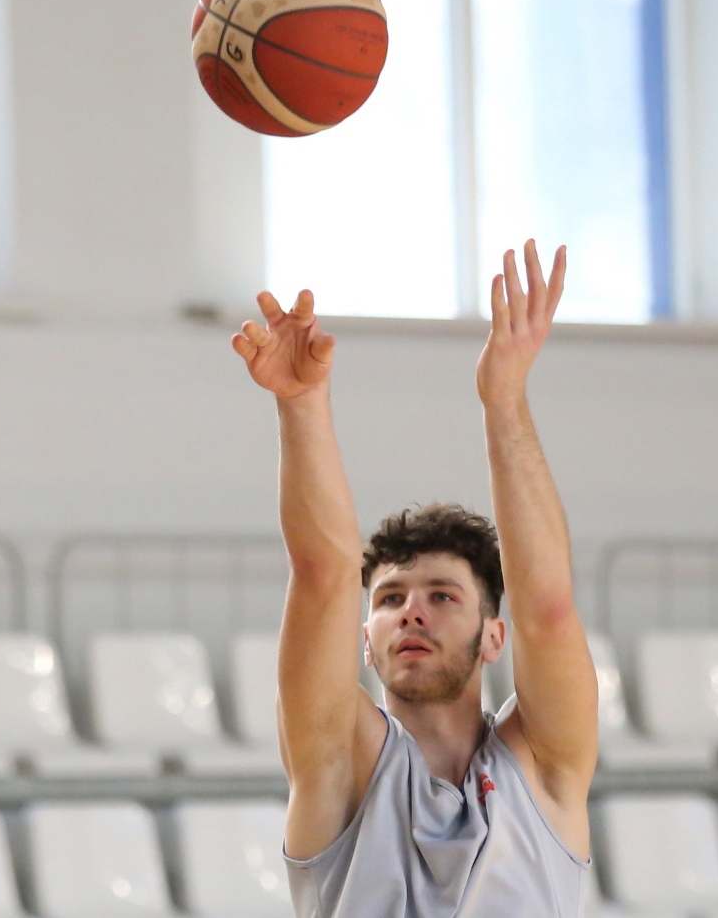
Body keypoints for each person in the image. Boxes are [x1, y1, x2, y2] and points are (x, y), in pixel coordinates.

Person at [230, 240, 599, 917]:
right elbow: (322, 574)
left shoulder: (543, 766)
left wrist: (504, 400)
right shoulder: (338, 761)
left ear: (494, 637)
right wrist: (301, 403)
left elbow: (547, 607)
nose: (411, 612)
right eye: (390, 598)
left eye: (442, 595)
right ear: (365, 641)